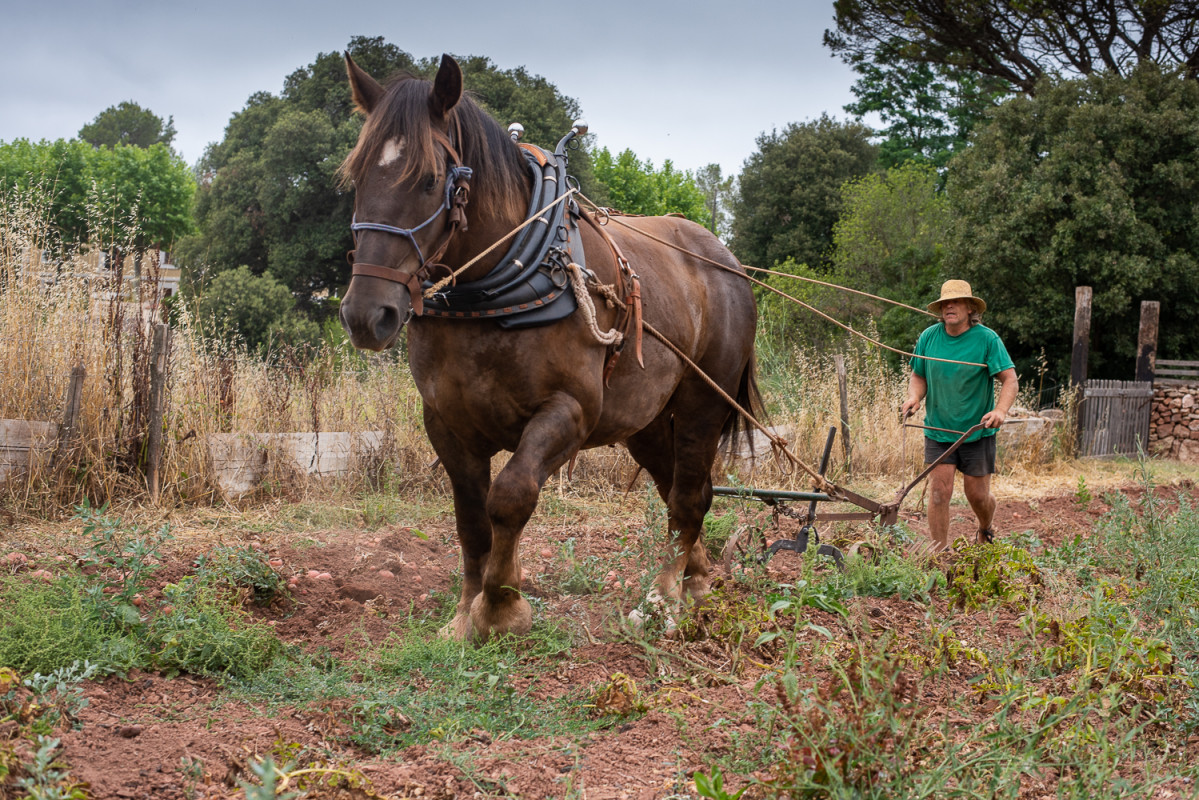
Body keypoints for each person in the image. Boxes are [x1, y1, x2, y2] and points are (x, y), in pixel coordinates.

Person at [900, 280, 1018, 551]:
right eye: (944, 303)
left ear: (969, 308)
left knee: (977, 496)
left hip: (977, 431)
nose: (948, 306)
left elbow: (1010, 379)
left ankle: (985, 528)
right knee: (940, 493)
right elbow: (918, 373)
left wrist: (1000, 411)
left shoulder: (987, 339)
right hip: (939, 431)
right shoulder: (929, 336)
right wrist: (914, 397)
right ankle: (938, 554)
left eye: (955, 301)